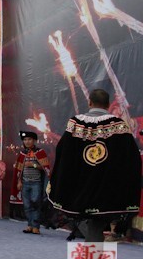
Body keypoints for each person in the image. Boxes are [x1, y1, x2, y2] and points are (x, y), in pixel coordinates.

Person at [49, 88, 142, 242]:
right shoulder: (119, 125)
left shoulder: (75, 123)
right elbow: (130, 158)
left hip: (80, 187)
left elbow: (63, 154)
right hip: (106, 188)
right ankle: (94, 257)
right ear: (107, 105)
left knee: (84, 219)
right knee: (96, 223)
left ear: (90, 102)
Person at [12, 130, 49, 235]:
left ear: (34, 140)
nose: (27, 141)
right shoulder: (22, 153)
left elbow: (45, 168)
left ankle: (36, 226)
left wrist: (32, 165)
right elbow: (19, 170)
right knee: (27, 205)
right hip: (25, 183)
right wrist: (19, 182)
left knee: (36, 203)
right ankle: (29, 225)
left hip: (36, 183)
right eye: (25, 140)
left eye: (29, 139)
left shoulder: (40, 152)